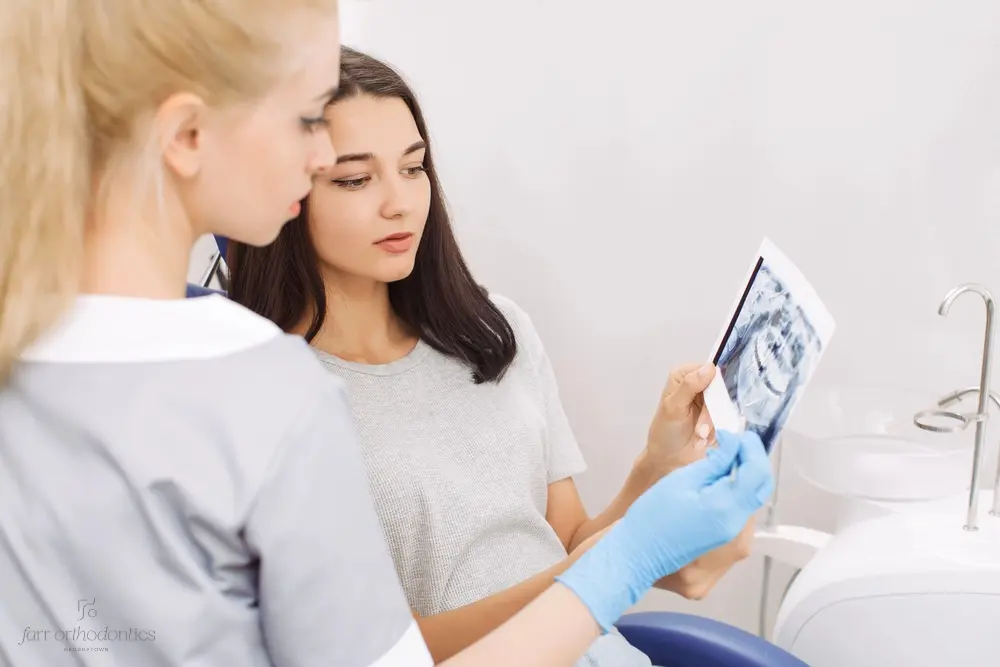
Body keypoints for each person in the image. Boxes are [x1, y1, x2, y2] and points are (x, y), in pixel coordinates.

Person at [0, 3, 773, 666]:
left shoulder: (45, 361)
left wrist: (645, 495)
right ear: (188, 135)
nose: (315, 158)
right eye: (310, 125)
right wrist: (629, 558)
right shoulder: (267, 390)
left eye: (413, 167)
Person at [226, 46, 768, 666]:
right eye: (355, 178)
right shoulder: (281, 399)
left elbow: (564, 543)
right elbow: (381, 654)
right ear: (287, 194)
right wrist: (608, 569)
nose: (399, 202)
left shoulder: (493, 331)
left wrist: (655, 464)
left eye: (413, 167)